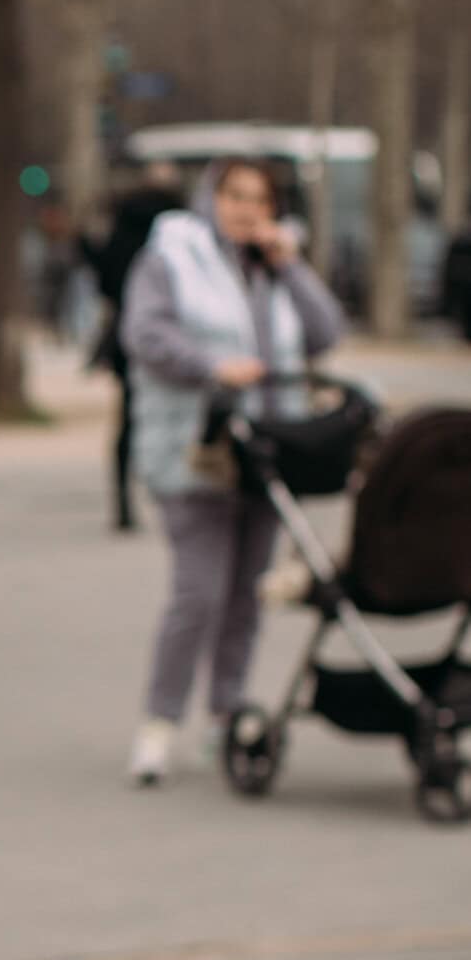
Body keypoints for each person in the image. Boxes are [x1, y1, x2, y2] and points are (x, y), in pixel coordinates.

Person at [122, 156, 342, 785]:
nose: (248, 210)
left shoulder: (273, 265)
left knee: (247, 596)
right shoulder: (174, 254)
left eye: (261, 199)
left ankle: (224, 717)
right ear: (211, 198)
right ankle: (158, 726)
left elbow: (327, 332)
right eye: (236, 195)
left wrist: (289, 266)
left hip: (269, 453)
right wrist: (211, 366)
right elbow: (144, 334)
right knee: (199, 593)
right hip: (199, 451)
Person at [82, 163, 183, 533]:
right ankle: (176, 494)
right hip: (177, 332)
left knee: (128, 419)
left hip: (128, 332)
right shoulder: (181, 227)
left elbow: (104, 275)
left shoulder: (123, 221)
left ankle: (123, 501)